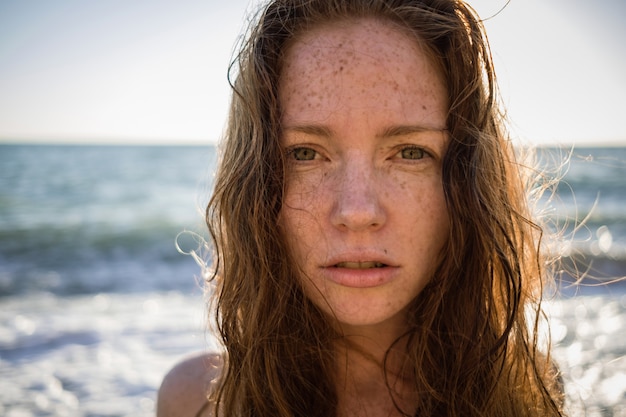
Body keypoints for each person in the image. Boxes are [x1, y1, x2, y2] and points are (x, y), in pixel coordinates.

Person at [158, 0, 566, 416]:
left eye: (410, 152)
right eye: (304, 153)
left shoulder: (525, 386)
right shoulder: (196, 401)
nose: (356, 211)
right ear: (255, 183)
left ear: (469, 182)